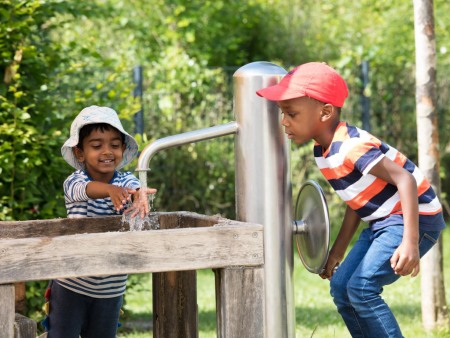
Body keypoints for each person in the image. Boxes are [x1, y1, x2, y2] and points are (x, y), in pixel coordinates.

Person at [256, 62, 446, 337]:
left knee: (362, 287)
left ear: (324, 112)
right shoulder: (323, 151)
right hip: (382, 222)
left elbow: (405, 179)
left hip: (416, 219)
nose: (284, 121)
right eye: (283, 113)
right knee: (342, 286)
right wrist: (337, 251)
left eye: (291, 113)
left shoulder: (351, 147)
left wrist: (410, 241)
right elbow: (356, 200)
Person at [43, 105, 157, 337]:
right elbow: (85, 190)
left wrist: (139, 195)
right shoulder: (74, 180)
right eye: (96, 145)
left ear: (123, 149)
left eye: (114, 145)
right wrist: (110, 190)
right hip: (71, 283)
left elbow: (136, 188)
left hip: (111, 287)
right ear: (80, 152)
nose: (107, 151)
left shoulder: (125, 180)